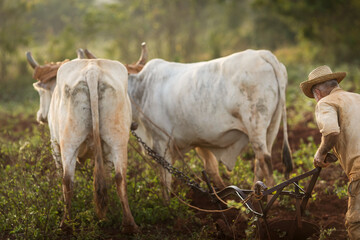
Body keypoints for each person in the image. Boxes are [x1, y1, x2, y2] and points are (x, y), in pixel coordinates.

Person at [300, 65, 360, 239]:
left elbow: (332, 132)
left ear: (317, 93)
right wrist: (333, 153)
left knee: (356, 224)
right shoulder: (357, 98)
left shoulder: (325, 102)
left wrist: (320, 153)